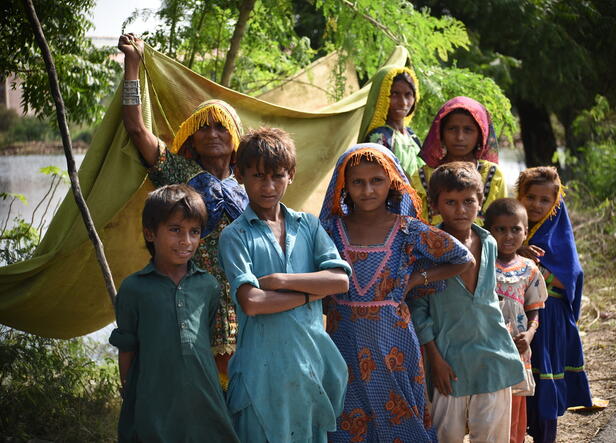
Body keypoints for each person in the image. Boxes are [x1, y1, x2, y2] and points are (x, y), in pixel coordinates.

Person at [319, 143, 474, 442]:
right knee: (347, 419)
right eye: (358, 182)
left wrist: (418, 279)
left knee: (402, 416)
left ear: (392, 181)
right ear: (344, 186)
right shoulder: (328, 230)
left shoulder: (408, 230)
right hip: (342, 345)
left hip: (395, 346)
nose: (367, 190)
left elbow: (463, 258)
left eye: (376, 180)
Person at [118, 34, 248, 386]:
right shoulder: (179, 173)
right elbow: (135, 127)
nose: (212, 134)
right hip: (193, 299)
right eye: (202, 128)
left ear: (236, 136)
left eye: (221, 126)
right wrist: (133, 64)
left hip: (246, 302)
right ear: (190, 138)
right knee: (196, 390)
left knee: (244, 393)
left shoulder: (252, 182)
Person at [218, 127, 351, 443]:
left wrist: (281, 282)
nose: (268, 186)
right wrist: (310, 292)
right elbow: (252, 302)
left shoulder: (308, 225)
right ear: (240, 175)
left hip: (308, 366)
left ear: (291, 174)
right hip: (258, 372)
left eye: (277, 176)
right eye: (258, 176)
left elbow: (340, 280)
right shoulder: (235, 236)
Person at [109, 184, 239, 442]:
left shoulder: (208, 285)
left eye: (194, 232)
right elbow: (128, 349)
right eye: (175, 230)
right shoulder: (134, 289)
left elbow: (206, 337)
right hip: (153, 396)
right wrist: (131, 394)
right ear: (150, 233)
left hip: (203, 396)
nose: (186, 241)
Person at [408, 162, 525, 443]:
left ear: (480, 202)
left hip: (492, 357)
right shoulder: (426, 248)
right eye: (450, 202)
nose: (460, 210)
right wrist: (435, 360)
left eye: (468, 201)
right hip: (449, 362)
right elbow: (419, 310)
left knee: (493, 437)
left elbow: (487, 300)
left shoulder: (489, 242)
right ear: (434, 205)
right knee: (446, 436)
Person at [516, 166, 592, 443]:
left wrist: (533, 264)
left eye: (544, 200)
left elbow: (568, 278)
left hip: (550, 318)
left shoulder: (556, 231)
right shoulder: (513, 227)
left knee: (544, 378)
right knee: (520, 383)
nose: (536, 204)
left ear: (555, 202)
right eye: (530, 197)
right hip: (517, 316)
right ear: (519, 196)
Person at [484, 198, 549, 443]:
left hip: (517, 349)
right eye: (500, 229)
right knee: (488, 409)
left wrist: (530, 334)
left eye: (515, 229)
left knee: (514, 407)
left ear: (525, 232)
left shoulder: (529, 269)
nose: (508, 236)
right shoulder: (482, 264)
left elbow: (534, 309)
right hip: (487, 347)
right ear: (488, 231)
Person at [412, 96, 508, 226]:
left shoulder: (493, 175)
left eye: (468, 130)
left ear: (481, 135)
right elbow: (414, 224)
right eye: (452, 129)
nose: (460, 137)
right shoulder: (422, 177)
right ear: (440, 133)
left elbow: (504, 223)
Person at [358, 66, 425, 177]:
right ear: (382, 96)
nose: (403, 102)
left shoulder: (412, 136)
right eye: (394, 94)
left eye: (408, 95)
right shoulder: (379, 137)